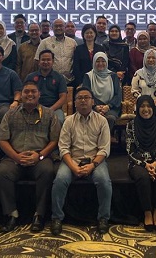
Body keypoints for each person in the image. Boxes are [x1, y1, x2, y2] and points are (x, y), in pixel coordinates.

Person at [0, 79, 61, 232]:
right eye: (26, 91)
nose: (30, 94)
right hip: (14, 157)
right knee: (1, 173)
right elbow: (2, 140)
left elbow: (55, 140)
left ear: (39, 94)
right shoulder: (10, 114)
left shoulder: (49, 114)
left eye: (33, 91)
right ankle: (11, 214)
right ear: (21, 95)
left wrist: (40, 155)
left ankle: (39, 215)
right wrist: (16, 157)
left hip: (40, 157)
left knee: (47, 171)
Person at [51, 86, 112, 236]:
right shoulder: (68, 121)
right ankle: (57, 218)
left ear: (93, 102)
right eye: (79, 98)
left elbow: (104, 149)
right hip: (72, 159)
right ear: (75, 103)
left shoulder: (102, 121)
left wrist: (92, 165)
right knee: (60, 180)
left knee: (104, 181)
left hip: (95, 160)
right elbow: (63, 148)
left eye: (86, 97)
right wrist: (73, 167)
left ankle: (103, 218)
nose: (83, 100)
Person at [126, 95, 156, 232]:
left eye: (149, 106)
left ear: (153, 108)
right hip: (137, 162)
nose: (146, 109)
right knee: (142, 177)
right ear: (138, 108)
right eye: (142, 106)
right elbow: (130, 151)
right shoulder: (131, 125)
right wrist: (145, 164)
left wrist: (154, 164)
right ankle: (147, 213)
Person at [82, 52, 122, 131]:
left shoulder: (113, 76)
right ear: (94, 62)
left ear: (107, 62)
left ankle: (105, 137)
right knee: (92, 117)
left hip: (111, 107)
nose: (100, 63)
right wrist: (95, 107)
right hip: (92, 107)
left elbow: (118, 94)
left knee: (110, 118)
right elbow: (86, 94)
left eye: (103, 61)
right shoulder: (88, 76)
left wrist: (108, 106)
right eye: (97, 61)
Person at [26, 50, 68, 123]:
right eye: (43, 60)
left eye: (48, 60)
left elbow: (63, 97)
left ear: (53, 61)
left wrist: (50, 110)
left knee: (59, 120)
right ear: (39, 62)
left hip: (54, 109)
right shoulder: (31, 77)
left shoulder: (59, 77)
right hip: (34, 108)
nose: (45, 62)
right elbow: (25, 94)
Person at [35, 18, 76, 83]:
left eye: (60, 26)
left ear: (64, 27)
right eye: (56, 26)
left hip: (69, 81)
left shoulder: (72, 42)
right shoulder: (45, 42)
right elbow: (37, 60)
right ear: (52, 28)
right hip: (49, 80)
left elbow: (76, 61)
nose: (58, 28)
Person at [72, 23, 106, 87]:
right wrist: (80, 82)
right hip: (82, 81)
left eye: (91, 33)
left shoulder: (100, 48)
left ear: (95, 34)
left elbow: (104, 65)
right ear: (83, 35)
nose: (89, 35)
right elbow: (76, 67)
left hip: (98, 80)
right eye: (87, 33)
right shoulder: (78, 49)